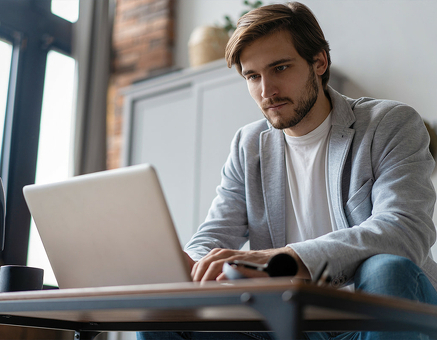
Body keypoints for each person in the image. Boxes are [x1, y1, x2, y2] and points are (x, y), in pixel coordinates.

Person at [138, 2, 437, 339]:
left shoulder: (390, 123)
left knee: (386, 268)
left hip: (373, 311)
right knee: (160, 311)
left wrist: (283, 258)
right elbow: (214, 235)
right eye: (253, 76)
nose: (267, 91)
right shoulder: (249, 145)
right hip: (291, 321)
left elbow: (403, 231)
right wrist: (186, 264)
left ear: (319, 62)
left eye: (279, 68)